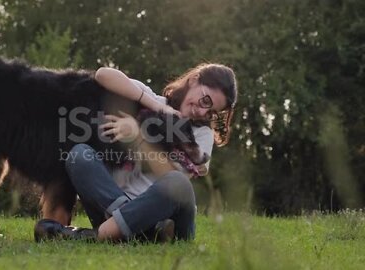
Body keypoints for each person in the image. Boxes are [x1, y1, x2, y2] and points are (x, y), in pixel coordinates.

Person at [35, 63, 237, 242]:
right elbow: (103, 75)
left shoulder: (202, 133)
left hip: (169, 219)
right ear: (194, 80)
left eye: (211, 112)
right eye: (206, 101)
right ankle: (146, 232)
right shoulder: (150, 100)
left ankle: (100, 234)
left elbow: (169, 174)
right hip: (113, 210)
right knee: (79, 154)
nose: (203, 113)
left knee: (178, 183)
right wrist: (157, 107)